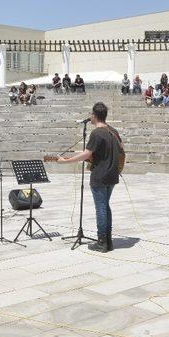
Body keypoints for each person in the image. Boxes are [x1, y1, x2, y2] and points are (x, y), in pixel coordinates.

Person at [57, 102, 124, 252]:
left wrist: (66, 161)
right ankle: (108, 240)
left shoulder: (96, 133)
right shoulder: (113, 131)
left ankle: (102, 243)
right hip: (112, 175)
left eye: (91, 114)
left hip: (100, 176)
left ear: (94, 115)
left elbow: (87, 154)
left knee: (100, 208)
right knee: (106, 206)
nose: (90, 117)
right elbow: (121, 148)